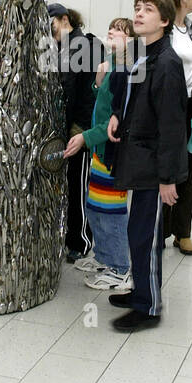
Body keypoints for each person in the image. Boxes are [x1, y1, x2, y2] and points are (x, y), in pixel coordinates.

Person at [106, 0, 188, 332]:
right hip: (137, 158)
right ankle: (140, 289)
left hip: (154, 166)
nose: (139, 14)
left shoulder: (167, 63)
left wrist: (167, 178)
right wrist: (115, 115)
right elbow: (128, 95)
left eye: (148, 9)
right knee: (137, 231)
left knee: (147, 236)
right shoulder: (142, 54)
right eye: (137, 7)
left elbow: (172, 126)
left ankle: (149, 306)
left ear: (165, 21)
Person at [63, 18, 135, 293]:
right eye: (112, 28)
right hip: (101, 150)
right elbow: (102, 106)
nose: (112, 32)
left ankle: (119, 269)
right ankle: (105, 259)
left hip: (112, 150)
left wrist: (85, 138)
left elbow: (118, 120)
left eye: (120, 30)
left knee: (111, 211)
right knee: (95, 207)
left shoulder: (127, 70)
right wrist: (96, 83)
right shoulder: (111, 65)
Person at [48, 3, 104, 261]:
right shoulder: (56, 48)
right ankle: (69, 237)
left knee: (77, 186)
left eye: (52, 21)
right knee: (68, 185)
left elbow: (89, 95)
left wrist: (81, 131)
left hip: (77, 130)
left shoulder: (87, 46)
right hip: (61, 130)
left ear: (64, 19)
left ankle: (80, 241)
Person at [161, 0, 192, 255]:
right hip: (168, 106)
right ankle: (161, 229)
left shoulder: (191, 30)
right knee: (166, 169)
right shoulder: (164, 31)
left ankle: (183, 232)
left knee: (187, 170)